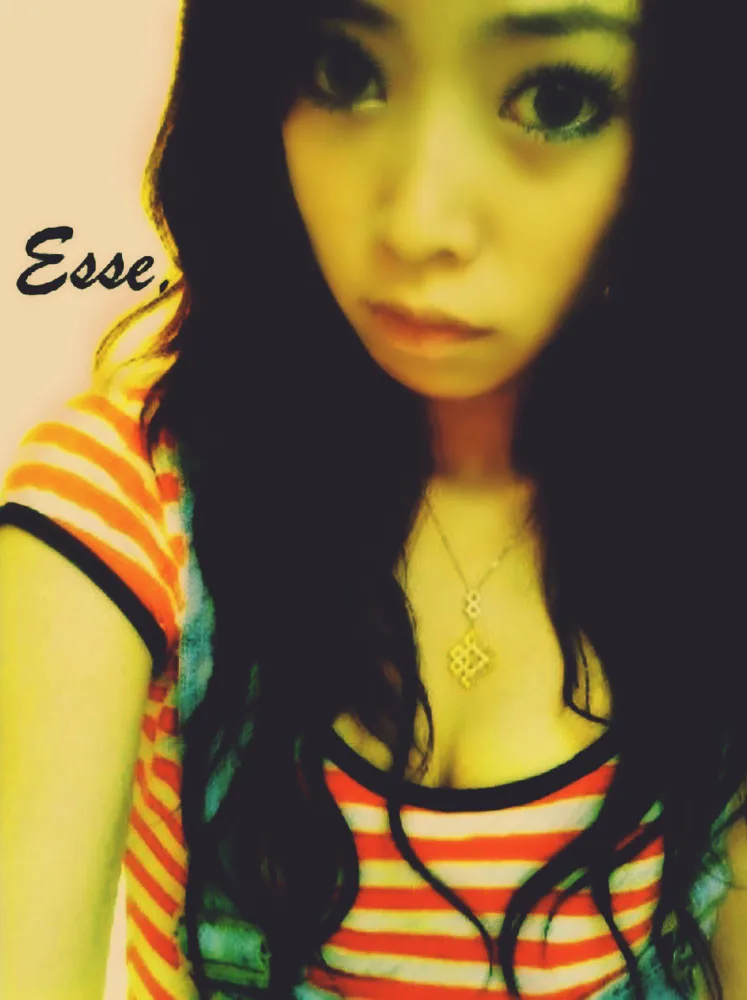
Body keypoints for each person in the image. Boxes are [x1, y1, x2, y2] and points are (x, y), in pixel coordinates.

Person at [1, 1, 745, 998]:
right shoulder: (128, 504)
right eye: (346, 74)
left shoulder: (717, 525)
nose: (418, 223)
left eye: (553, 99)